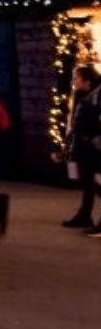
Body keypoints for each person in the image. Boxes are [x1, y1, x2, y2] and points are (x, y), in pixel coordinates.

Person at [62, 65, 101, 235]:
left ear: (88, 81)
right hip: (84, 144)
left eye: (76, 78)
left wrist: (93, 138)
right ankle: (85, 215)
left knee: (98, 183)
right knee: (88, 181)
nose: (73, 81)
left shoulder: (98, 95)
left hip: (94, 144)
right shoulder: (81, 95)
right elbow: (77, 121)